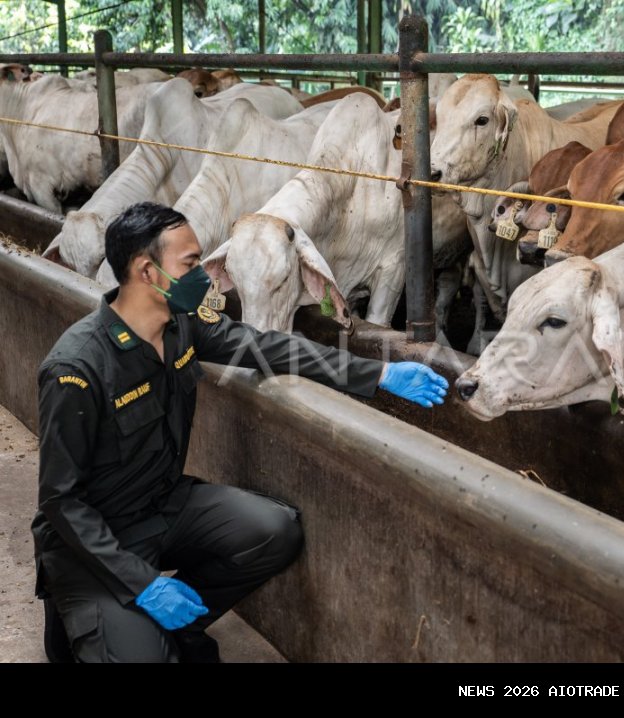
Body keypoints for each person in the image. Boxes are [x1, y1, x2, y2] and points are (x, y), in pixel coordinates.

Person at [32, 202, 449, 663]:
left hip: (160, 506)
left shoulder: (181, 326)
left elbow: (267, 346)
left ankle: (175, 624)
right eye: (190, 264)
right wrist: (143, 584)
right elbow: (61, 502)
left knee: (274, 531)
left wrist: (377, 373)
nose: (201, 276)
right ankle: (102, 620)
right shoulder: (77, 367)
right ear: (147, 272)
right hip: (92, 545)